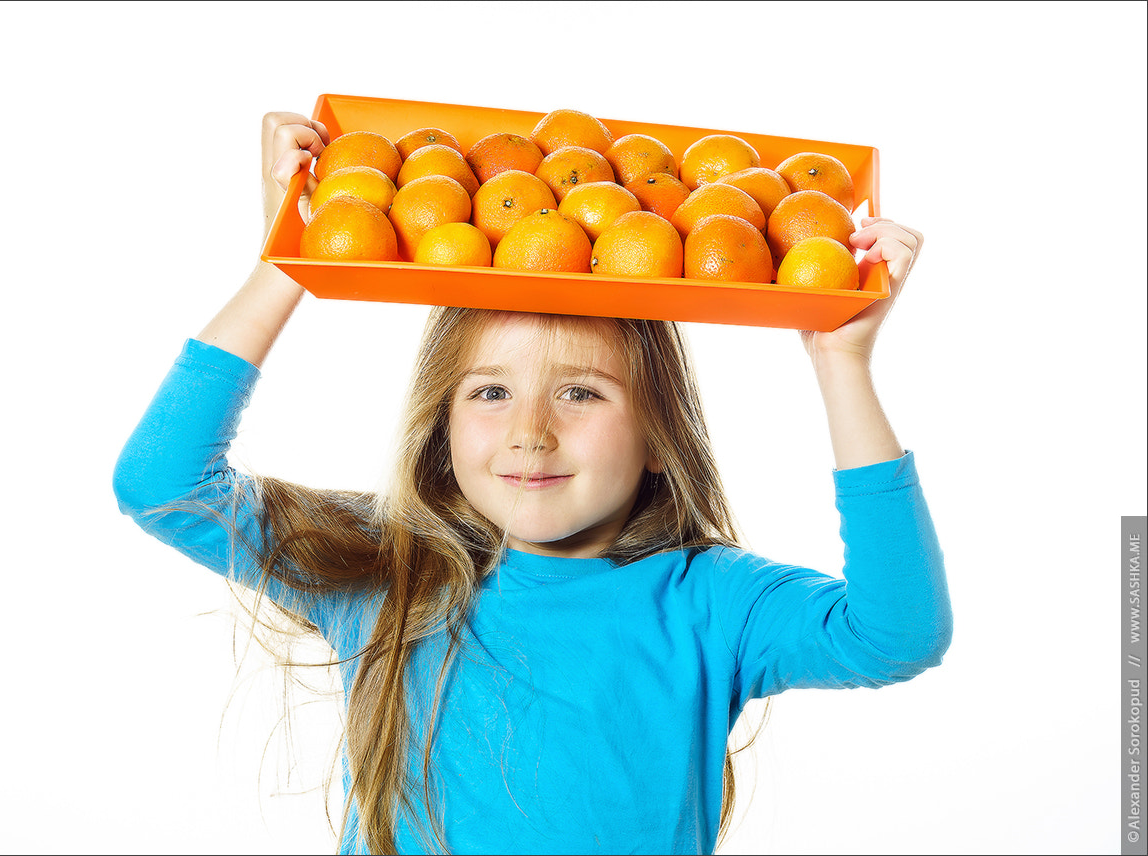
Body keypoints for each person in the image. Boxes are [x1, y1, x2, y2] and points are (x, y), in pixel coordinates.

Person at [113, 111, 952, 855]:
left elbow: (898, 631)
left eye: (580, 392)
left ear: (661, 434)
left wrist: (842, 363)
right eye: (490, 391)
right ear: (442, 424)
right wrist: (289, 264)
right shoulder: (384, 564)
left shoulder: (707, 600)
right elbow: (161, 483)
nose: (528, 430)